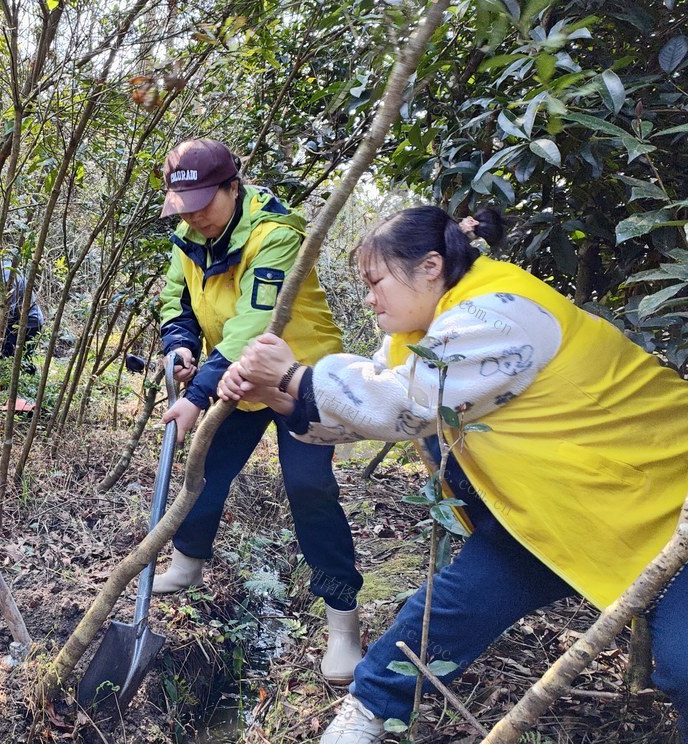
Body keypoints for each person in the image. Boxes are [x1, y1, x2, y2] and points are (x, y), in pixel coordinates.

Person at [219, 206, 688, 743]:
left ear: (430, 267)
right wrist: (280, 396)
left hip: (664, 495)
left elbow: (405, 399)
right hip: (562, 510)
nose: (370, 298)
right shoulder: (427, 331)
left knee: (684, 663)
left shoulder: (499, 313)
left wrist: (294, 374)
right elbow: (376, 407)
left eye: (375, 282)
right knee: (445, 612)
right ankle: (363, 717)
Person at [153, 138, 365, 684]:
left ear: (232, 187)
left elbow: (256, 324)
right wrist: (178, 346)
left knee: (308, 488)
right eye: (186, 205)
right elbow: (176, 300)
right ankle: (187, 564)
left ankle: (344, 623)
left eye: (205, 202)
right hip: (237, 377)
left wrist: (198, 394)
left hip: (299, 377)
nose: (195, 216)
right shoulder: (187, 236)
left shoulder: (275, 236)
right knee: (205, 469)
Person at [0, 254, 44, 369]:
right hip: (16, 322)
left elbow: (8, 313)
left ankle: (26, 383)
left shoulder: (9, 277)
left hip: (28, 323)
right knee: (8, 357)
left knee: (19, 360)